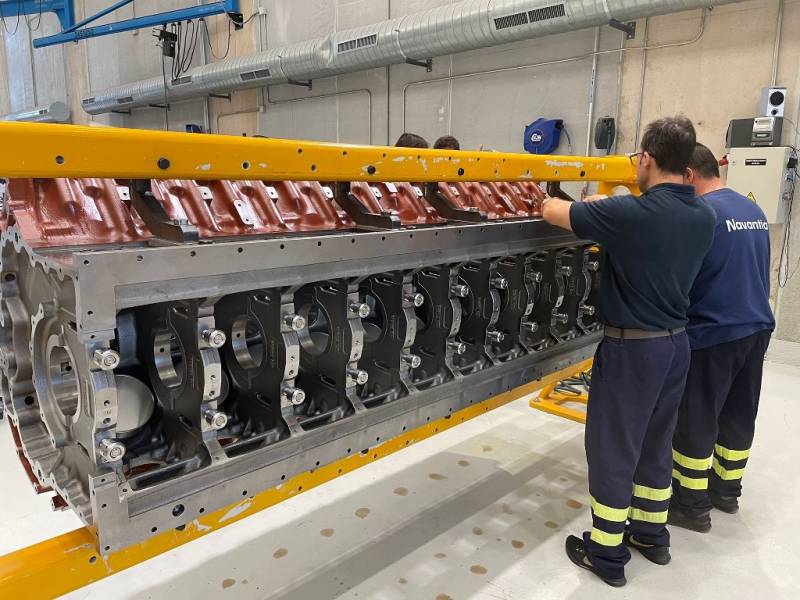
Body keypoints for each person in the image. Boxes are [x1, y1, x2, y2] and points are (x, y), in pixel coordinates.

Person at [541, 116, 716, 587]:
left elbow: (553, 213)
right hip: (676, 346)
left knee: (613, 448)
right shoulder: (702, 215)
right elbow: (634, 218)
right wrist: (607, 205)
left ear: (648, 159)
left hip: (632, 351)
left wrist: (540, 195)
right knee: (655, 444)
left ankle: (606, 553)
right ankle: (651, 536)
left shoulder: (631, 216)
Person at [668, 144, 774, 532]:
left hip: (713, 332)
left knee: (696, 417)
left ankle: (690, 504)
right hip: (756, 327)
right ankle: (726, 491)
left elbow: (684, 278)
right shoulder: (752, 209)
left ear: (689, 175)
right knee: (737, 413)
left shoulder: (703, 215)